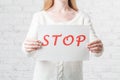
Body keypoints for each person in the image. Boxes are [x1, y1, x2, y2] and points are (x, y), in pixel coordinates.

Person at [22, 0, 104, 80]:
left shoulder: (82, 17)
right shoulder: (39, 17)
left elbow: (96, 50)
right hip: (44, 77)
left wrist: (98, 48)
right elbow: (28, 51)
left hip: (73, 77)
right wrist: (28, 47)